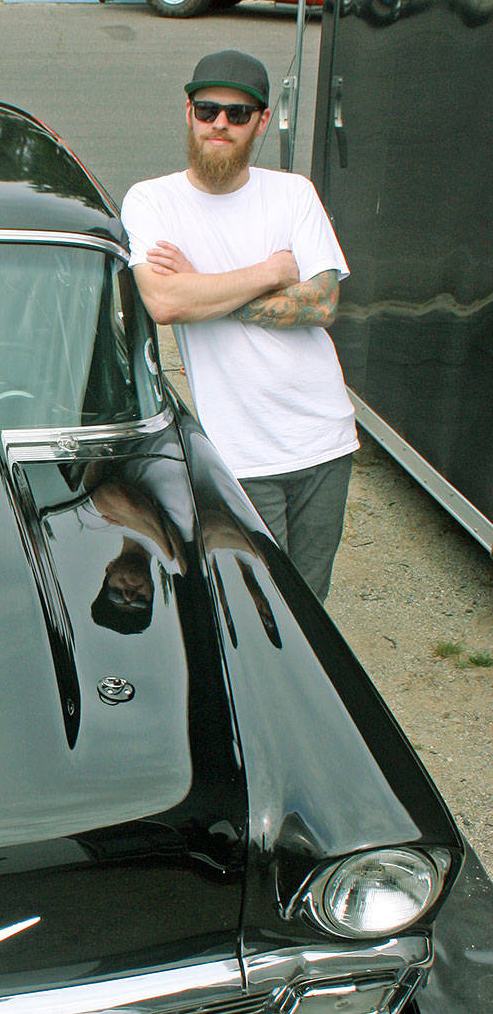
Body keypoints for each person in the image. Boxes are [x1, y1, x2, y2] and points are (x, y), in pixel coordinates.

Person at [120, 49, 356, 602]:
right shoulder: (152, 200)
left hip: (324, 439)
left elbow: (323, 302)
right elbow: (164, 301)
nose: (220, 124)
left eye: (237, 113)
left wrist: (205, 286)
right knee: (254, 609)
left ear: (262, 121)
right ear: (188, 112)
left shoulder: (292, 193)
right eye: (207, 110)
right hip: (242, 452)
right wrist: (271, 272)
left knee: (310, 606)